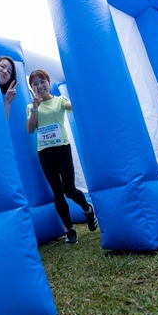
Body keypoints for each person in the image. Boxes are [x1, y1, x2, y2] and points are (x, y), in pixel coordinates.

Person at [26, 69, 98, 244]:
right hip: (44, 153)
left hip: (62, 149)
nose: (39, 86)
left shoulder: (59, 100)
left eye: (42, 81)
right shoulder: (31, 106)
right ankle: (70, 230)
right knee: (57, 192)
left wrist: (77, 98)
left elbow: (71, 106)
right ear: (32, 88)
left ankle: (88, 209)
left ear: (48, 82)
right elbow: (30, 129)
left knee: (69, 190)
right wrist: (35, 108)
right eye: (35, 84)